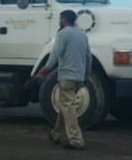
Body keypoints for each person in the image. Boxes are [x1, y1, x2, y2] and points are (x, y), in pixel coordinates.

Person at [35, 9, 92, 150]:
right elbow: (88, 58)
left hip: (67, 77)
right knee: (65, 106)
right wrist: (86, 76)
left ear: (64, 20)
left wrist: (43, 70)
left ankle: (76, 140)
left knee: (68, 108)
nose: (59, 21)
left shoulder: (62, 34)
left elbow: (54, 56)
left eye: (60, 19)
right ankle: (56, 134)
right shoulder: (83, 35)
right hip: (79, 78)